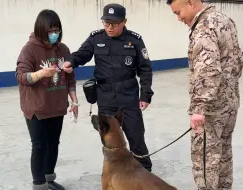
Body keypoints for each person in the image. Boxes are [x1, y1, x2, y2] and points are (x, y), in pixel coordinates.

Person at [62, 3, 154, 171]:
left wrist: (145, 94)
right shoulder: (96, 38)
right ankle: (113, 171)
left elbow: (145, 69)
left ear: (124, 22)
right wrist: (71, 61)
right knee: (108, 139)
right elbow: (82, 54)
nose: (109, 27)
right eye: (106, 23)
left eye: (114, 23)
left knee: (136, 138)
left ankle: (144, 171)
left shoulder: (134, 40)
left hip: (128, 96)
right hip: (105, 97)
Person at [166, 0, 243, 189]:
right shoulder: (225, 20)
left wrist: (199, 107)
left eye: (178, 12)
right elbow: (237, 60)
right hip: (229, 104)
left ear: (190, 3)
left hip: (211, 109)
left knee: (205, 160)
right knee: (223, 154)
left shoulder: (204, 27)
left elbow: (208, 69)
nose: (178, 18)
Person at [15, 9, 78, 190]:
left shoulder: (63, 49)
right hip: (37, 108)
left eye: (57, 30)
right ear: (41, 29)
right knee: (40, 146)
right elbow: (21, 77)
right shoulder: (29, 49)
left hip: (56, 106)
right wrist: (42, 73)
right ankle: (39, 184)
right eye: (50, 31)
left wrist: (74, 101)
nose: (54, 34)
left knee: (53, 145)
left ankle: (49, 179)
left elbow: (70, 78)